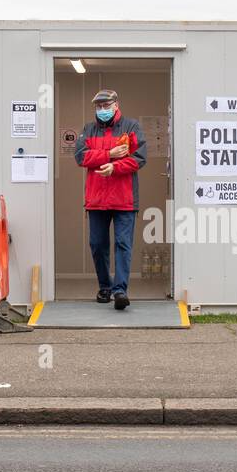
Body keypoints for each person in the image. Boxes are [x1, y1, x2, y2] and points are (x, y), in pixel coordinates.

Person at [73, 88, 147, 310]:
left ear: (116, 105)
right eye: (99, 106)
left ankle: (120, 291)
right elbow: (80, 156)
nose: (102, 110)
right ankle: (105, 286)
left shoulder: (131, 127)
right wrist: (109, 155)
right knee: (97, 245)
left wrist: (114, 166)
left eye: (107, 106)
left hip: (124, 199)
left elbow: (139, 158)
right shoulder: (88, 130)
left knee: (123, 245)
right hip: (96, 200)